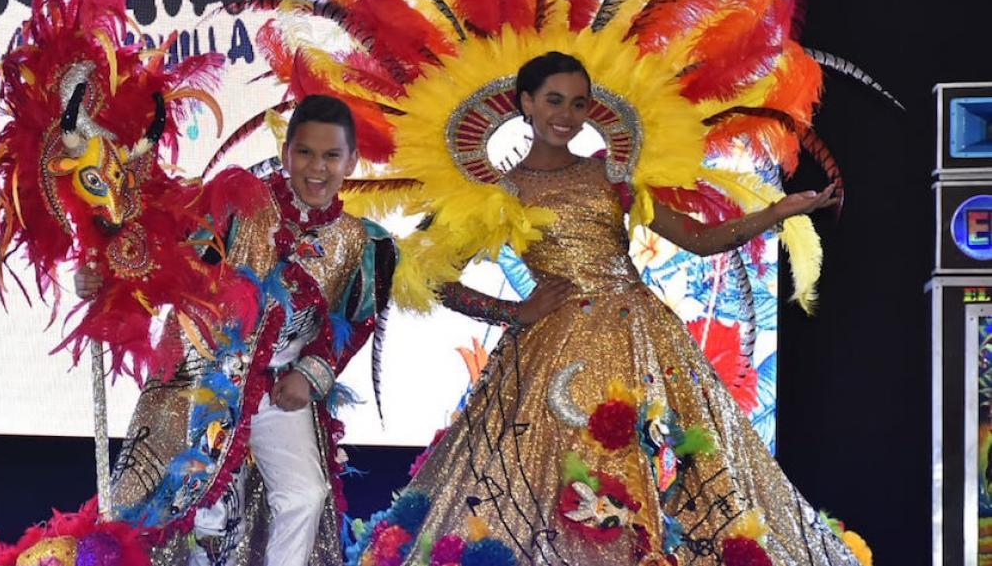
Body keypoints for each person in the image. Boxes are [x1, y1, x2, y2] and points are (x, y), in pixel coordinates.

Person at [347, 53, 857, 565]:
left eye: (578, 102)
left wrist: (778, 211)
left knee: (667, 471)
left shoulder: (611, 176)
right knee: (558, 479)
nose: (566, 114)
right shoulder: (502, 192)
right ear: (525, 103)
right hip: (555, 351)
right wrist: (513, 312)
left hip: (644, 342)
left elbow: (699, 240)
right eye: (553, 100)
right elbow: (434, 278)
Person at [77, 94, 397, 566]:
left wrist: (312, 375)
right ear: (286, 153)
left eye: (332, 155)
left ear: (351, 160)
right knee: (181, 502)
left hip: (278, 386)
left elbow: (355, 322)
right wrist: (106, 278)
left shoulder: (363, 242)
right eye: (305, 153)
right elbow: (172, 267)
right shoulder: (239, 205)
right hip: (199, 380)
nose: (317, 168)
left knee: (305, 493)